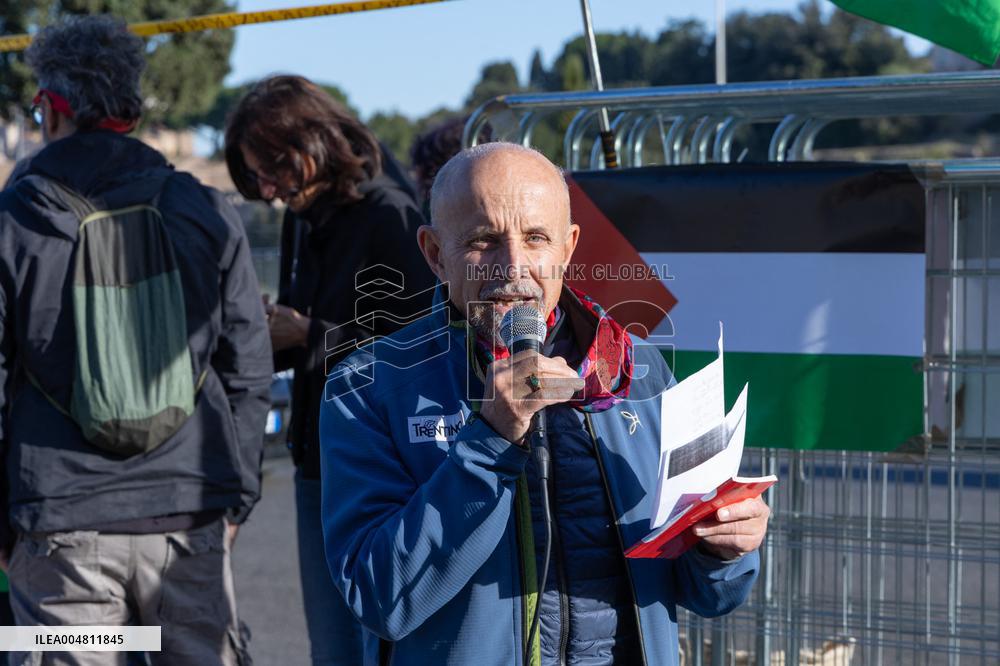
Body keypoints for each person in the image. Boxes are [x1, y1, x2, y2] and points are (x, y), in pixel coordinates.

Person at [320, 142, 770, 665]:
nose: (513, 267)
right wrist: (489, 439)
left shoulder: (638, 371)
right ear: (434, 254)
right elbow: (379, 599)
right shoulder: (369, 385)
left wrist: (724, 549)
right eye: (483, 240)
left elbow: (706, 594)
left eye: (536, 238)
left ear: (569, 247)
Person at [0, 15, 272, 666]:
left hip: (60, 527)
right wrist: (235, 495)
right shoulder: (204, 210)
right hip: (190, 517)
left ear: (51, 108)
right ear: (129, 108)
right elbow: (248, 367)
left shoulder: (13, 220)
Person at [224, 75, 436, 666]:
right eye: (256, 176)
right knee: (333, 648)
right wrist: (271, 329)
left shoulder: (387, 214)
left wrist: (309, 333)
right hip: (318, 460)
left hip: (387, 470)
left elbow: (421, 345)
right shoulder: (303, 216)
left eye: (272, 170)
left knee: (379, 645)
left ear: (311, 142)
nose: (266, 189)